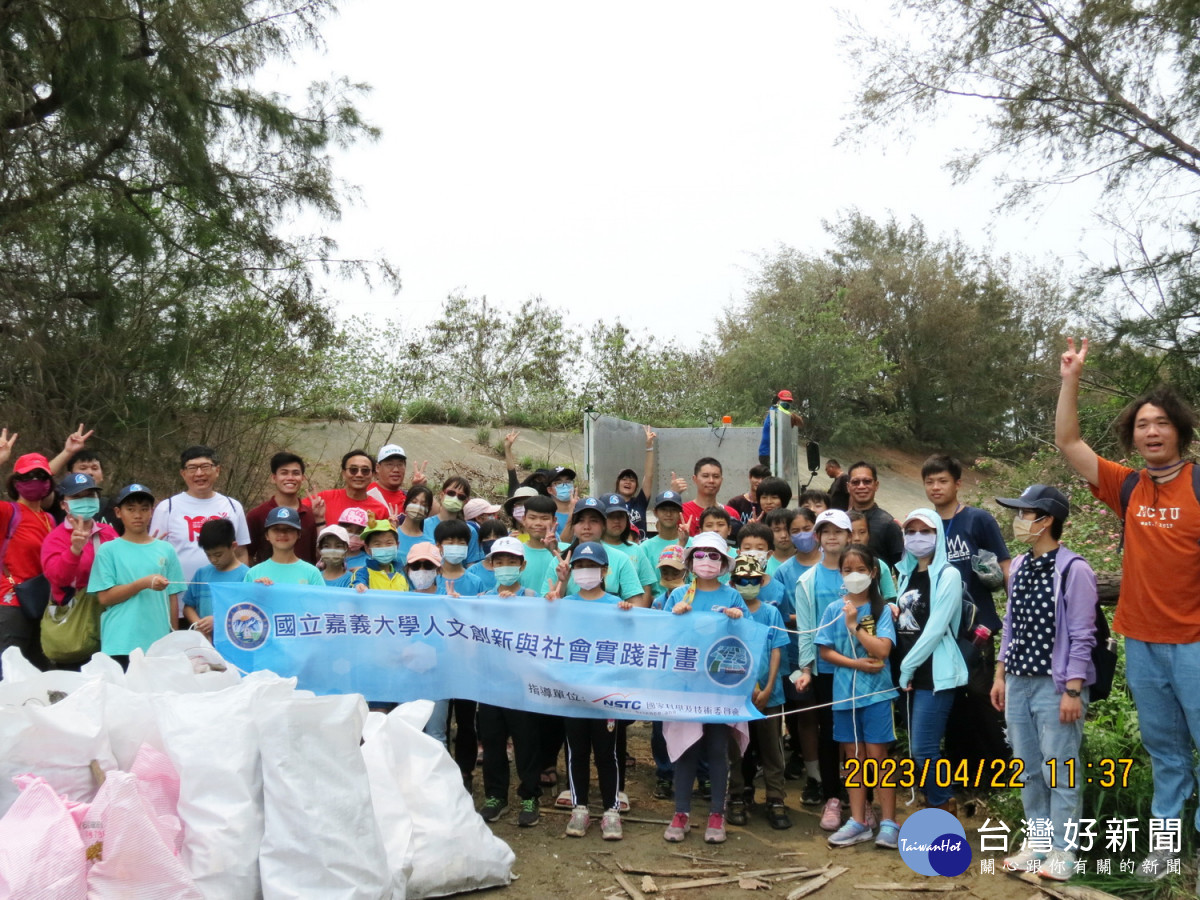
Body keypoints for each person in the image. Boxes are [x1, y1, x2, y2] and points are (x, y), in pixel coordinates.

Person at [1055, 336, 1199, 880]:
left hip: (1196, 641)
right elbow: (1068, 442)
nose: (1152, 431)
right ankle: (1166, 847)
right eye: (1143, 424)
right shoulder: (1129, 486)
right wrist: (1071, 378)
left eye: (1162, 422)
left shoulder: (1199, 483)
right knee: (1165, 751)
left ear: (1180, 431)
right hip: (1141, 640)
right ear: (1132, 435)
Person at [990, 484, 1099, 882]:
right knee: (1028, 768)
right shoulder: (1018, 565)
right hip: (1019, 681)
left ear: (1046, 519)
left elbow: (1083, 634)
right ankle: (1037, 843)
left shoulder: (1074, 569)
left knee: (1061, 768)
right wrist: (1001, 674)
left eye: (1025, 513)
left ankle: (1064, 850)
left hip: (1055, 687)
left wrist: (1073, 689)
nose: (1018, 520)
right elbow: (1010, 625)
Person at [921, 454, 1012, 772]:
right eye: (930, 482)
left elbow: (1004, 565)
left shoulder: (978, 520)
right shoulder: (925, 526)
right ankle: (961, 775)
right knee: (951, 703)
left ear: (957, 484)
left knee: (984, 700)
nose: (936, 487)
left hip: (978, 628)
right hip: (939, 630)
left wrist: (1017, 612)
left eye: (942, 480)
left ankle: (1000, 774)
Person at [661, 532, 749, 844]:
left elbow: (747, 640)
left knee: (716, 749)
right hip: (685, 686)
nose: (706, 562)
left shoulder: (732, 596)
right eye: (700, 555)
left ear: (724, 563)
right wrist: (675, 618)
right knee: (686, 749)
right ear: (689, 560)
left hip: (719, 686)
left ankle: (716, 813)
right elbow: (662, 638)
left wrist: (738, 620)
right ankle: (681, 812)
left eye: (714, 556)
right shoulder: (678, 595)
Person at [815, 543, 899, 849]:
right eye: (848, 570)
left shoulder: (881, 609)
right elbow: (825, 651)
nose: (854, 575)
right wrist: (855, 663)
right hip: (843, 697)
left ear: (873, 572)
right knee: (854, 760)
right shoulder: (832, 609)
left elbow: (883, 651)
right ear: (840, 573)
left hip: (876, 696)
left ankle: (889, 821)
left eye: (861, 570)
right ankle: (859, 821)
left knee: (879, 758)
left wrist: (855, 627)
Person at [558, 542, 635, 841]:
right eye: (579, 566)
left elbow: (632, 643)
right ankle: (580, 808)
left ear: (605, 571)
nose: (585, 572)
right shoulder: (565, 604)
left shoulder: (617, 605)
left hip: (605, 696)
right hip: (573, 694)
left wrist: (628, 614)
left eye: (591, 566)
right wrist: (557, 592)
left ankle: (611, 810)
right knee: (576, 751)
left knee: (607, 754)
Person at [893, 509, 967, 814]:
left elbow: (937, 627)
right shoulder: (907, 573)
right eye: (911, 531)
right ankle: (936, 803)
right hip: (909, 671)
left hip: (934, 672)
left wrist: (907, 666)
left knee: (924, 749)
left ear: (938, 534)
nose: (918, 537)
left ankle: (943, 803)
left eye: (926, 531)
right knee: (917, 749)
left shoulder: (949, 574)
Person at [794, 508, 856, 830]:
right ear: (817, 537)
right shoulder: (807, 580)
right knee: (831, 734)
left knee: (862, 737)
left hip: (863, 668)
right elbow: (805, 629)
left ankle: (864, 799)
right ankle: (833, 796)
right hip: (826, 670)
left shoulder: (867, 569)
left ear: (850, 536)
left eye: (839, 530)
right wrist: (806, 668)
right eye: (825, 531)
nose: (832, 536)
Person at [477, 537, 545, 827]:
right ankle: (496, 796)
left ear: (523, 564)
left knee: (527, 741)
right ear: (491, 565)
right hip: (489, 684)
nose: (505, 567)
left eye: (512, 561)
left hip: (523, 685)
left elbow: (545, 635)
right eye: (500, 561)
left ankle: (530, 795)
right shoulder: (481, 601)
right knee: (492, 741)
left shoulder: (533, 599)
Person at [725, 554, 791, 830]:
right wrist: (750, 686)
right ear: (732, 582)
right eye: (742, 580)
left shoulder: (771, 612)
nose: (747, 584)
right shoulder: (729, 614)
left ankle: (776, 797)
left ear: (762, 581)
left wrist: (769, 686)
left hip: (770, 695)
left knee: (771, 748)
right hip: (736, 695)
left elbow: (777, 649)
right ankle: (737, 795)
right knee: (736, 748)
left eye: (753, 580)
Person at [87, 484, 185, 669]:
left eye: (144, 509)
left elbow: (172, 597)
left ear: (152, 512)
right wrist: (142, 584)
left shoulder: (166, 549)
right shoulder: (108, 550)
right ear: (118, 512)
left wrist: (173, 638)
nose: (138, 515)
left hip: (157, 641)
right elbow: (105, 597)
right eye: (130, 509)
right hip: (120, 641)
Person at [40, 473, 119, 665]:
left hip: (110, 621)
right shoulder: (56, 538)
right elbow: (58, 578)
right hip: (78, 622)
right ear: (63, 504)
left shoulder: (106, 531)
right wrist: (75, 550)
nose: (85, 501)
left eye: (90, 495)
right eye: (76, 497)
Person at [149, 445, 251, 580]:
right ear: (183, 473)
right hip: (178, 592)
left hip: (223, 592)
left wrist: (242, 586)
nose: (199, 473)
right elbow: (155, 554)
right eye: (192, 468)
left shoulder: (233, 506)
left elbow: (241, 552)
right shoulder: (167, 508)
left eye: (205, 467)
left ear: (217, 470)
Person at [0, 452, 59, 670]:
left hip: (41, 603)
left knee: (40, 671)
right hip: (12, 601)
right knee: (9, 671)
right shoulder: (7, 511)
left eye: (41, 476)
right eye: (28, 476)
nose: (35, 481)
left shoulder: (49, 518)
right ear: (16, 483)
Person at [245, 452, 318, 565]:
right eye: (284, 473)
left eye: (296, 473)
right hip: (267, 581)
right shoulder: (257, 515)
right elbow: (246, 554)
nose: (290, 478)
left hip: (303, 581)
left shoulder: (310, 516)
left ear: (302, 478)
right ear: (274, 478)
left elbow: (317, 555)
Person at [181, 518, 249, 639]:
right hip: (206, 642)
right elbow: (188, 607)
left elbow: (249, 612)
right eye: (208, 555)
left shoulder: (246, 575)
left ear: (233, 546)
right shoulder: (202, 574)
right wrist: (199, 625)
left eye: (218, 555)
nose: (213, 560)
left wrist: (218, 620)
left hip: (233, 641)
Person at [244, 507, 323, 586]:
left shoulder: (312, 573)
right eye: (276, 529)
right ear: (267, 535)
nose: (282, 534)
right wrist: (256, 590)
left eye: (289, 529)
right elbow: (245, 597)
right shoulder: (254, 573)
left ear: (298, 534)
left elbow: (321, 598)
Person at [845, 461, 903, 568]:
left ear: (876, 485)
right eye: (855, 482)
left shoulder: (888, 524)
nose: (861, 486)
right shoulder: (841, 522)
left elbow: (901, 569)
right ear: (848, 487)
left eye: (867, 481)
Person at [309, 450, 389, 527]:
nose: (359, 475)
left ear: (373, 474)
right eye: (353, 470)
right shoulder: (324, 499)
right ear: (343, 473)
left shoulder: (381, 510)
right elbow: (298, 510)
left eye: (365, 470)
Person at [600, 494, 654, 605]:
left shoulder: (636, 549)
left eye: (620, 516)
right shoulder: (594, 548)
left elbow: (646, 587)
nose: (616, 521)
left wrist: (638, 614)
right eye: (611, 516)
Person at [423, 475, 484, 565]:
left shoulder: (469, 531)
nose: (455, 498)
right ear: (441, 494)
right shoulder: (424, 525)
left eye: (461, 496)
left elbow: (471, 566)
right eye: (451, 493)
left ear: (465, 502)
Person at [639, 490, 687, 600]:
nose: (669, 514)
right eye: (664, 510)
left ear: (680, 513)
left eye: (673, 510)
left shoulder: (692, 543)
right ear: (655, 512)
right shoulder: (644, 548)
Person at [613, 425, 657, 535]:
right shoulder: (610, 503)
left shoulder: (640, 502)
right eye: (624, 479)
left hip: (638, 548)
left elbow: (649, 475)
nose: (628, 482)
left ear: (637, 486)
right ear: (617, 483)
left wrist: (649, 447)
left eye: (632, 480)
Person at [681, 459, 741, 537]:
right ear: (695, 479)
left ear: (721, 480)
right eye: (705, 476)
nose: (711, 481)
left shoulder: (732, 513)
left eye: (716, 476)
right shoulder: (682, 511)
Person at [66, 450, 121, 533]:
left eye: (94, 468)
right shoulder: (63, 506)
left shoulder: (114, 507)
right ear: (69, 475)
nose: (90, 472)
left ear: (102, 475)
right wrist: (67, 451)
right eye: (83, 468)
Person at [366, 443, 427, 517]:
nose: (396, 470)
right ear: (378, 467)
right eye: (389, 464)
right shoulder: (366, 494)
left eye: (400, 464)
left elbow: (436, 518)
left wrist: (420, 490)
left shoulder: (408, 498)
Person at [351, 520, 411, 591]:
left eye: (389, 543)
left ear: (397, 545)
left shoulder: (403, 572)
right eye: (377, 544)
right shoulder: (362, 574)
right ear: (367, 549)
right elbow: (358, 583)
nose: (383, 548)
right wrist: (360, 585)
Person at [433, 519, 484, 595]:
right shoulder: (432, 580)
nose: (456, 546)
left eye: (461, 543)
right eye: (450, 543)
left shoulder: (475, 581)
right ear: (439, 545)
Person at [758, 390, 804, 466]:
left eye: (789, 401)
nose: (787, 403)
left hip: (776, 454)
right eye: (784, 400)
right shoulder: (774, 411)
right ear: (778, 400)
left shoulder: (783, 414)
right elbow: (796, 419)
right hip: (768, 454)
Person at [396, 484, 435, 567]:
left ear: (428, 510)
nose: (418, 507)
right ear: (405, 503)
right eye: (414, 502)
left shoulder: (429, 544)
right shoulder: (392, 534)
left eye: (424, 505)